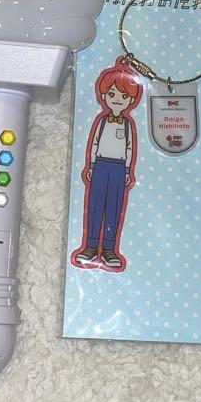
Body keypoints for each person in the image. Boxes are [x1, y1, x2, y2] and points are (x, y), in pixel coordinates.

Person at [71, 56, 143, 272]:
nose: (117, 100)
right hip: (100, 166)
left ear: (131, 100)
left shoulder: (127, 124)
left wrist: (128, 171)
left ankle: (109, 250)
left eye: (124, 96)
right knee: (95, 205)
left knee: (114, 207)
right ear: (104, 96)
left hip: (119, 169)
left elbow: (129, 148)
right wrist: (92, 166)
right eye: (112, 94)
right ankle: (91, 247)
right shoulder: (102, 121)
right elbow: (94, 143)